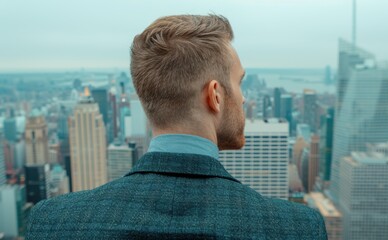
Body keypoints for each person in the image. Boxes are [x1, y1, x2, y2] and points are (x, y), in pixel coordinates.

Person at [26, 14, 327, 239]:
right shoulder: (296, 228)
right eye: (240, 83)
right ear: (215, 95)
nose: (245, 98)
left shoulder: (53, 223)